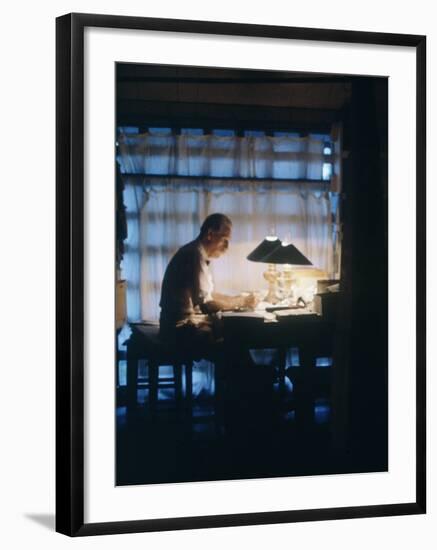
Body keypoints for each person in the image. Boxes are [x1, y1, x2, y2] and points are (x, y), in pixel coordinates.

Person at [159, 213, 256, 355]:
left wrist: (235, 299)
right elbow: (206, 305)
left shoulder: (195, 252)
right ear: (210, 234)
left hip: (176, 325)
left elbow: (207, 295)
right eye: (224, 240)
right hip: (177, 331)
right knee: (234, 336)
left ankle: (244, 374)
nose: (227, 247)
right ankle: (246, 375)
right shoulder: (194, 255)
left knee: (231, 332)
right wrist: (240, 302)